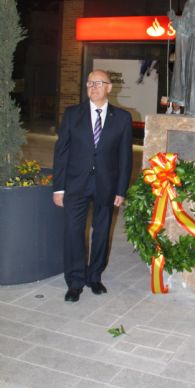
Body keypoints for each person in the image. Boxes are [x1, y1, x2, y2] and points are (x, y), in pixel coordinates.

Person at [53, 69, 133, 302]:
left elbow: (125, 158)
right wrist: (59, 188)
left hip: (106, 186)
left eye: (99, 83)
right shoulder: (72, 115)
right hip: (75, 185)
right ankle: (75, 281)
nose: (93, 87)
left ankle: (94, 276)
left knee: (101, 232)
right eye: (89, 83)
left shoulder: (122, 118)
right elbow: (61, 153)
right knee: (73, 232)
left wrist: (120, 190)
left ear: (109, 87)